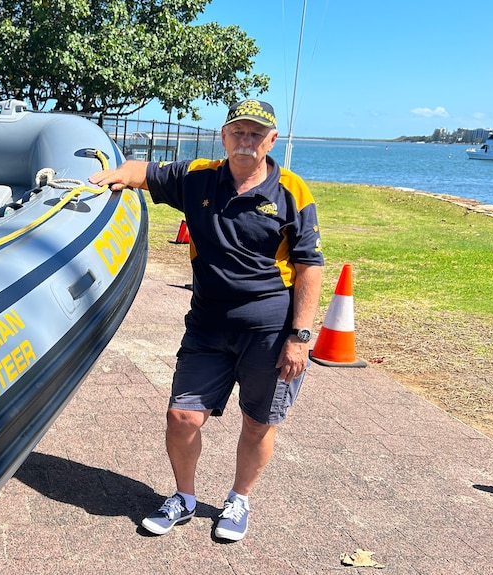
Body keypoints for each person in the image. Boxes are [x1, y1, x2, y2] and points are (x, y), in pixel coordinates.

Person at [89, 99, 323, 541]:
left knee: (258, 421)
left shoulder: (292, 192)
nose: (246, 141)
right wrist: (112, 178)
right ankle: (184, 497)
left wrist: (301, 336)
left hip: (271, 333)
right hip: (208, 325)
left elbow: (310, 265)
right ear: (224, 136)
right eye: (238, 132)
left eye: (256, 134)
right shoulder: (197, 176)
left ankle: (239, 499)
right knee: (181, 416)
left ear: (273, 140)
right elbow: (144, 172)